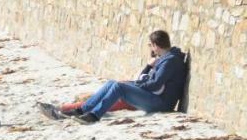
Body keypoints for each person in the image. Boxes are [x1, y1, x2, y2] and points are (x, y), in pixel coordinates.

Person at [50, 31, 188, 125]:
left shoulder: (170, 61)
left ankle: (94, 116)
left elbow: (156, 84)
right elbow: (151, 82)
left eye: (151, 46)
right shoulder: (167, 58)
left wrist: (136, 85)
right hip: (155, 98)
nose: (151, 49)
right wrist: (134, 83)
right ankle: (82, 110)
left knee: (119, 87)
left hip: (161, 104)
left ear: (155, 46)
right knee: (113, 83)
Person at [38, 47, 159, 120]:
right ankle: (62, 109)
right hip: (129, 95)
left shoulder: (158, 69)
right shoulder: (155, 68)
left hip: (131, 100)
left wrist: (149, 66)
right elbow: (140, 80)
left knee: (104, 103)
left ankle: (61, 110)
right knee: (97, 99)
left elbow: (142, 81)